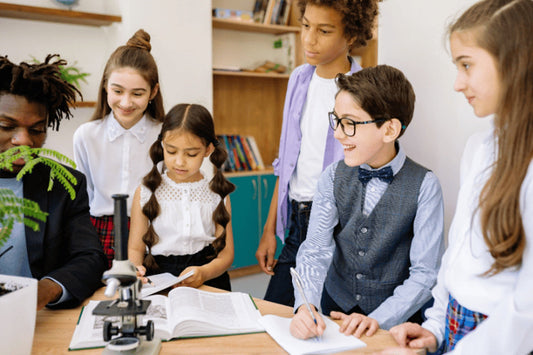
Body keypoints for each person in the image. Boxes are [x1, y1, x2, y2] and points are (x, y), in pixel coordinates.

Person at [380, 1, 533, 354]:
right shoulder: (478, 149)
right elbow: (457, 258)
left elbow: (526, 311)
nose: (457, 83)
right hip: (455, 325)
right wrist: (435, 327)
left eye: (466, 65)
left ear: (515, 62)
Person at [289, 65, 445, 340]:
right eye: (336, 120)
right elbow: (314, 250)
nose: (337, 133)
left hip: (396, 323)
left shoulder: (426, 186)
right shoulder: (332, 176)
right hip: (335, 308)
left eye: (349, 123)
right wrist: (306, 305)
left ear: (389, 130)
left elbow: (425, 274)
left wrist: (377, 320)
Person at [256, 0, 382, 307]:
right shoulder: (298, 79)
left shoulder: (364, 90)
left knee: (322, 319)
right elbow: (285, 164)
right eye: (305, 26)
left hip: (338, 227)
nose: (309, 39)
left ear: (350, 35)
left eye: (324, 30)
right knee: (274, 313)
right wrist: (269, 229)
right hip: (296, 221)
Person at [0, 54, 107, 309]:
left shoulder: (64, 184)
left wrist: (45, 290)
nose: (24, 141)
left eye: (37, 130)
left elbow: (89, 258)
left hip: (34, 321)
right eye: (6, 126)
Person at [73, 29, 165, 268]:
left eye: (138, 93)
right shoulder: (86, 136)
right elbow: (86, 194)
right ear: (105, 86)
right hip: (100, 232)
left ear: (153, 92)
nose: (125, 102)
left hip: (154, 232)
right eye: (117, 91)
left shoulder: (166, 136)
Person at [128, 103, 236, 291]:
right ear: (162, 144)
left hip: (206, 277)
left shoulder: (217, 193)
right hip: (157, 277)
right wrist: (135, 270)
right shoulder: (145, 192)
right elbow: (136, 249)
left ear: (208, 150)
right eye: (171, 151)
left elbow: (226, 255)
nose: (179, 161)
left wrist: (204, 272)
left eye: (191, 154)